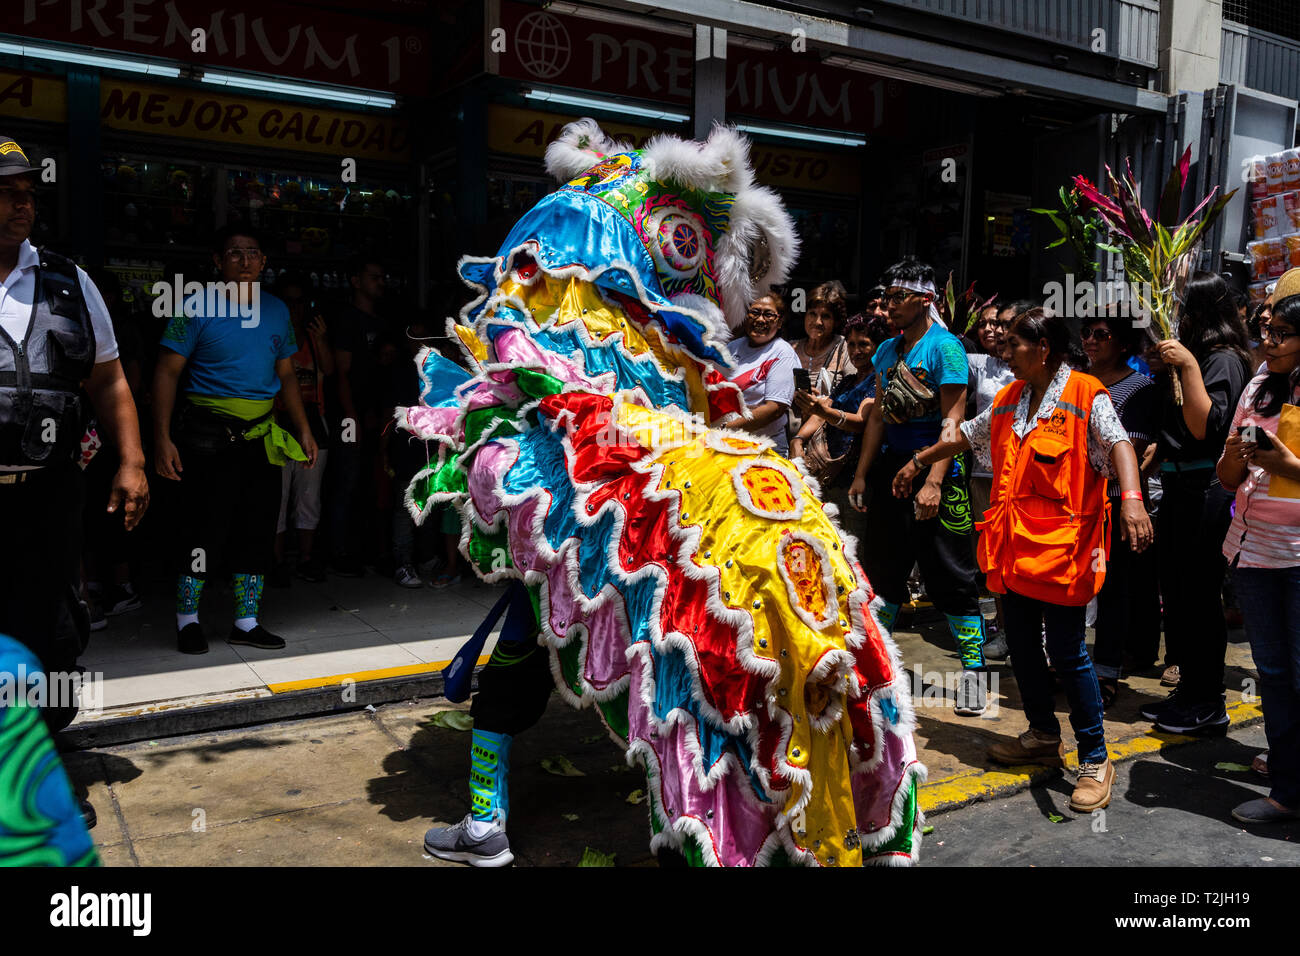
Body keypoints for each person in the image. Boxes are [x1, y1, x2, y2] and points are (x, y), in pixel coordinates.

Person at [892, 307, 1152, 812]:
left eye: (1014, 344)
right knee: (1026, 651)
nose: (1004, 352)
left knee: (1069, 653)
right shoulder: (1012, 397)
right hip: (1013, 550)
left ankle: (1095, 757)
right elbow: (965, 433)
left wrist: (1133, 500)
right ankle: (1041, 736)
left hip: (1063, 553)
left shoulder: (1084, 393)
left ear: (1045, 349)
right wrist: (919, 460)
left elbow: (1119, 444)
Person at [0, 136, 149, 736]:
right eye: (7, 193)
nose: (23, 205)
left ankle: (44, 774)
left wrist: (132, 462)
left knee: (51, 630)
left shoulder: (69, 281)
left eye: (28, 194)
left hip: (48, 495)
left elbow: (110, 382)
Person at [153, 225, 319, 655]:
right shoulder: (194, 306)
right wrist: (162, 438)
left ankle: (246, 622)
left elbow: (285, 373)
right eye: (234, 253)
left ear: (264, 262)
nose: (245, 261)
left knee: (257, 530)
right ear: (217, 260)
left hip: (261, 437)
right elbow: (167, 371)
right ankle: (187, 619)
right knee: (201, 530)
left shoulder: (278, 310)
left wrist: (303, 428)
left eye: (253, 253)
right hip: (206, 436)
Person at [847, 257, 989, 715]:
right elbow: (879, 422)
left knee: (951, 574)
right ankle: (879, 668)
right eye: (885, 297)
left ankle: (974, 676)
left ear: (923, 300)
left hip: (937, 473)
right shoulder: (887, 351)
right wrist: (864, 473)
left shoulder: (946, 348)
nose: (887, 307)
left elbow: (955, 420)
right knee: (884, 571)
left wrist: (932, 481)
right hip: (893, 472)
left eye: (896, 298)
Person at [1138, 272, 1252, 733]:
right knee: (1179, 596)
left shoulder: (1222, 360)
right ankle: (1188, 694)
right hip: (1180, 490)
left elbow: (1208, 429)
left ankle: (1208, 701)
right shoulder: (1199, 358)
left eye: (1186, 306)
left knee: (1200, 598)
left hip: (1205, 491)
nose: (1179, 315)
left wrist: (1185, 366)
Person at [1217, 272, 1300, 823]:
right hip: (1252, 549)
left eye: (1283, 334)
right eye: (1267, 331)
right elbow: (1227, 479)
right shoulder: (1257, 387)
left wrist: (1285, 464)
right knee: (1271, 672)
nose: (1268, 342)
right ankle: (1289, 792)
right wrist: (1235, 456)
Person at [1081, 310, 1161, 707]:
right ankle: (1072, 665)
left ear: (1124, 344)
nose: (1092, 341)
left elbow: (1134, 448)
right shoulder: (1077, 384)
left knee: (1112, 586)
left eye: (1102, 334)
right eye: (1087, 334)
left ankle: (1106, 672)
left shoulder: (1140, 388)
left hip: (1115, 500)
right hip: (1075, 499)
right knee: (1075, 586)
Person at [791, 312, 888, 522]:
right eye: (851, 344)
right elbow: (820, 415)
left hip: (858, 477)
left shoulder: (878, 381)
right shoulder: (848, 381)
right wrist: (798, 439)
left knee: (854, 542)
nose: (856, 351)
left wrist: (825, 412)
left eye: (863, 344)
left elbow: (861, 422)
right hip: (830, 476)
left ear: (879, 347)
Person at [327, 257, 388, 576]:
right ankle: (338, 552)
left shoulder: (381, 321)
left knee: (370, 484)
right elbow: (340, 373)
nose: (380, 282)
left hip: (375, 416)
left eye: (383, 277)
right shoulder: (347, 320)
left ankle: (366, 551)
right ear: (355, 280)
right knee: (346, 482)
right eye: (374, 276)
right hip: (350, 417)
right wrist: (351, 417)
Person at [272, 272, 333, 585]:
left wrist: (321, 340)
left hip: (312, 421)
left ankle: (307, 560)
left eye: (300, 302)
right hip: (276, 422)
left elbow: (331, 371)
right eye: (288, 301)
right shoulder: (268, 334)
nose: (294, 308)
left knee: (308, 497)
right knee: (278, 498)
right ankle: (278, 563)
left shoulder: (312, 336)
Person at [966, 299, 1019, 657]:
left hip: (1022, 477)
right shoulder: (977, 364)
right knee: (994, 558)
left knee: (1023, 556)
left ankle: (1035, 632)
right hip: (985, 475)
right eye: (987, 323)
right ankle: (1004, 630)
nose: (994, 330)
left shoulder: (1031, 369)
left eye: (1001, 324)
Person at [725, 292, 798, 456]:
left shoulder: (782, 352)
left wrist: (726, 428)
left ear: (779, 322)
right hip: (726, 444)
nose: (760, 320)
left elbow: (774, 409)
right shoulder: (732, 347)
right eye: (755, 312)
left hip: (763, 448)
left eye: (768, 314)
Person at [792, 280, 855, 396]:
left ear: (836, 321)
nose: (818, 322)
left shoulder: (844, 348)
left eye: (825, 316)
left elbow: (853, 393)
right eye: (812, 314)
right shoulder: (790, 348)